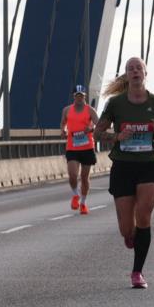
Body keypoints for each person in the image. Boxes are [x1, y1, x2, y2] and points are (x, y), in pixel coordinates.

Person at [93, 57, 154, 289]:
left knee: (144, 215)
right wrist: (116, 137)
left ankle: (137, 272)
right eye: (131, 68)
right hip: (123, 166)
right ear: (127, 76)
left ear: (145, 73)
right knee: (126, 229)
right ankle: (132, 235)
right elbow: (98, 133)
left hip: (148, 164)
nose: (135, 71)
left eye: (139, 68)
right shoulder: (116, 104)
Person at [60, 85, 99, 214]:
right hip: (72, 147)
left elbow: (99, 125)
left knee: (84, 177)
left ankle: (83, 203)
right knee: (72, 175)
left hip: (87, 147)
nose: (79, 98)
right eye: (77, 96)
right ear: (74, 97)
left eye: (81, 96)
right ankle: (75, 195)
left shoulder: (90, 110)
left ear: (85, 97)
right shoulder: (66, 110)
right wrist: (63, 131)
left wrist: (91, 129)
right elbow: (63, 123)